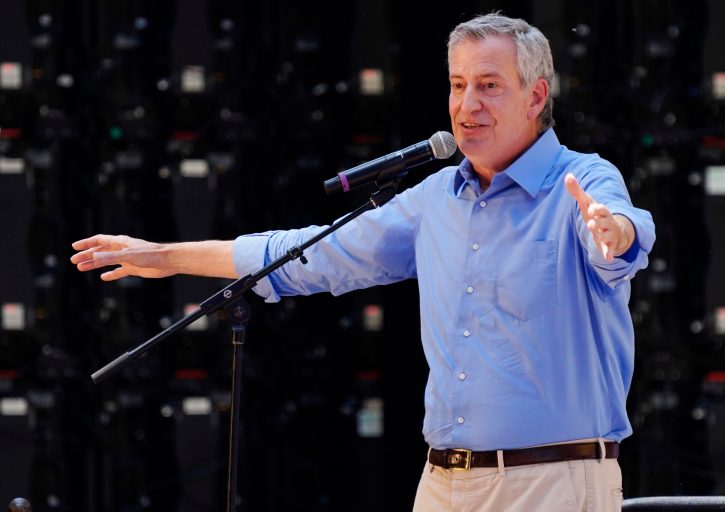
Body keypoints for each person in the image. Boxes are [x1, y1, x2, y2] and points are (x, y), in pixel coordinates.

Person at [71, 13, 654, 512]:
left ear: (536, 95)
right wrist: (167, 257)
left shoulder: (582, 179)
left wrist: (614, 234)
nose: (466, 105)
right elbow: (310, 253)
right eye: (456, 85)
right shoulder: (434, 200)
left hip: (551, 482)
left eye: (489, 86)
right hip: (444, 483)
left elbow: (622, 236)